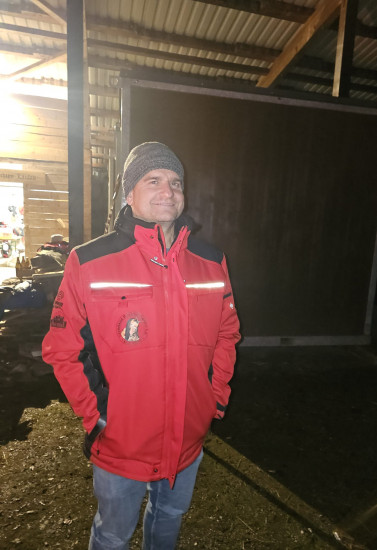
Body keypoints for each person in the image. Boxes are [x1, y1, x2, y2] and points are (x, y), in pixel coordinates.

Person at [42, 141, 240, 550]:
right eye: (153, 180)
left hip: (188, 439)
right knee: (113, 535)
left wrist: (214, 398)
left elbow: (227, 334)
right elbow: (63, 348)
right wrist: (99, 416)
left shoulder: (211, 261)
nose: (168, 190)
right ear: (129, 193)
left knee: (169, 518)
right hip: (122, 443)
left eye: (176, 182)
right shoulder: (89, 260)